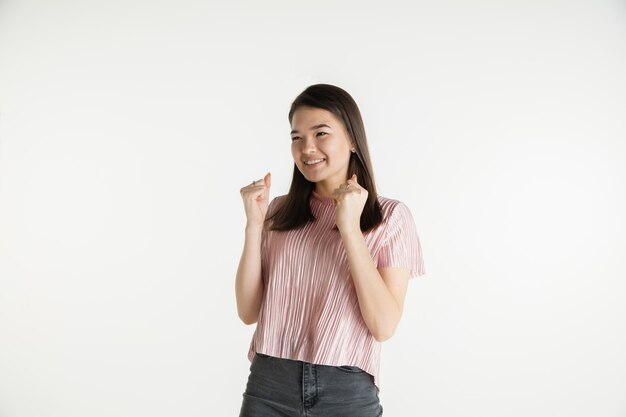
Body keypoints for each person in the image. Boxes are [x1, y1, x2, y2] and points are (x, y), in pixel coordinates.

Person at [236, 83, 426, 416]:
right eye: (296, 137)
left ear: (352, 139)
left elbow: (383, 325)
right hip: (269, 385)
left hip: (346, 391)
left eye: (320, 133)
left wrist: (350, 228)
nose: (307, 148)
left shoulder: (390, 217)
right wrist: (254, 225)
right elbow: (248, 311)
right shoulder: (278, 212)